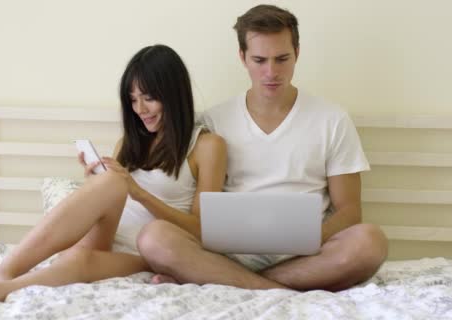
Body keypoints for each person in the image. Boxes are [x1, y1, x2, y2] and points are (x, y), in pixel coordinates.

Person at [0, 44, 226, 301]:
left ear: (173, 94)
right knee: (109, 183)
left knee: (79, 257)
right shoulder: (129, 143)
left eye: (149, 98)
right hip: (109, 236)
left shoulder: (207, 146)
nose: (140, 109)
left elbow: (202, 231)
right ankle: (5, 272)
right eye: (133, 100)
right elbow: (113, 199)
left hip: (149, 250)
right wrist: (95, 185)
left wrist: (138, 193)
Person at [136, 5, 388, 292]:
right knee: (153, 238)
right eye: (259, 60)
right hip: (223, 252)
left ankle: (231, 282)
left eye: (282, 59)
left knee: (371, 242)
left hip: (304, 255)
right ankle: (250, 281)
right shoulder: (212, 121)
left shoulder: (332, 120)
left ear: (298, 53)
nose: (271, 72)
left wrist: (314, 237)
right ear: (242, 57)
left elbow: (350, 211)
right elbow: (172, 183)